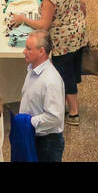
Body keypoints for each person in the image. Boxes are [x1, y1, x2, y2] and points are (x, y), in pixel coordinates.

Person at [6, 0, 87, 126]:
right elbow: (83, 4)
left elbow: (43, 25)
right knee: (71, 70)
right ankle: (66, 105)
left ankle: (73, 113)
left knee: (65, 76)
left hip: (63, 42)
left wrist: (23, 19)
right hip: (78, 35)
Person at [19, 30, 66, 162]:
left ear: (42, 51)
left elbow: (54, 117)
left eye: (28, 48)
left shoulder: (51, 81)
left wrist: (27, 122)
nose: (24, 51)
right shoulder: (32, 70)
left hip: (47, 144)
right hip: (33, 136)